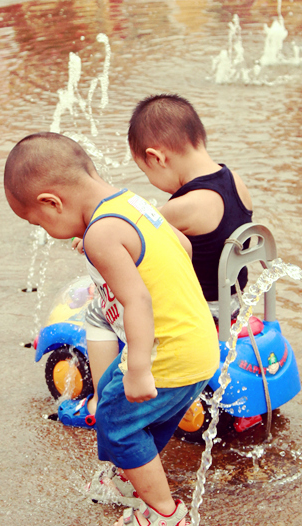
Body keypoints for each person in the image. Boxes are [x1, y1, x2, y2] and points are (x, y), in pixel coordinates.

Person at [4, 132, 219, 526]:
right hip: (198, 346)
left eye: (38, 222)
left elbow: (136, 299)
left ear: (52, 202)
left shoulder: (103, 235)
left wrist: (138, 367)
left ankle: (165, 517)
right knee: (140, 420)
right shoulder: (131, 205)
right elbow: (181, 244)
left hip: (163, 355)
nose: (46, 233)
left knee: (116, 421)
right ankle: (130, 479)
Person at [58, 92, 253, 428]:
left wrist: (92, 233)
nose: (151, 182)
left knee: (99, 313)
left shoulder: (187, 206)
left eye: (146, 171)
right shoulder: (234, 180)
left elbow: (136, 230)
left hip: (201, 311)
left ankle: (101, 402)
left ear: (157, 157)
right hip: (233, 301)